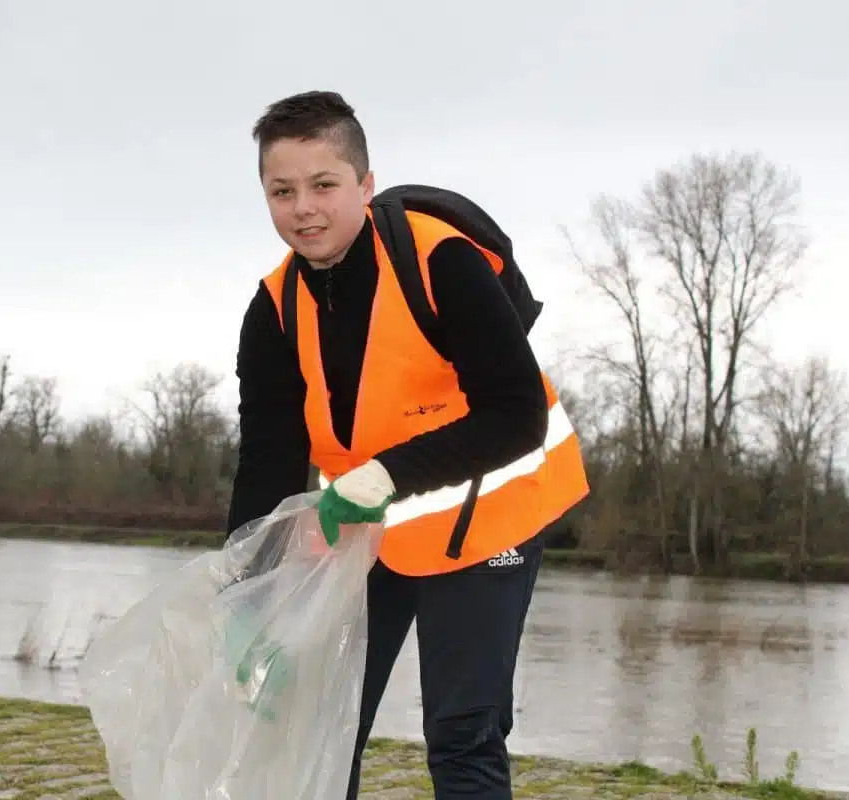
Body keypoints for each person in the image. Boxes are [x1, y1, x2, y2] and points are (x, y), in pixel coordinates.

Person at [225, 90, 589, 800]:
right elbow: (265, 462)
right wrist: (247, 602)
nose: (304, 209)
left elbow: (517, 415)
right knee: (323, 723)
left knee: (462, 733)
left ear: (364, 184)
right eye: (282, 191)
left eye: (324, 185)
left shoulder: (440, 261)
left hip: (490, 519)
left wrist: (386, 473)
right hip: (370, 534)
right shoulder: (272, 308)